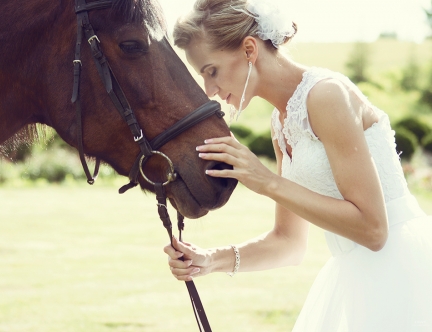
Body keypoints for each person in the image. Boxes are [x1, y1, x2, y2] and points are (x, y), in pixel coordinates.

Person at [162, 0, 432, 331]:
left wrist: (266, 182)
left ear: (249, 49)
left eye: (211, 71)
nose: (210, 90)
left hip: (402, 271)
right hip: (352, 275)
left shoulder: (326, 95)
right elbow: (288, 243)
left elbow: (374, 230)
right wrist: (210, 260)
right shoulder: (282, 123)